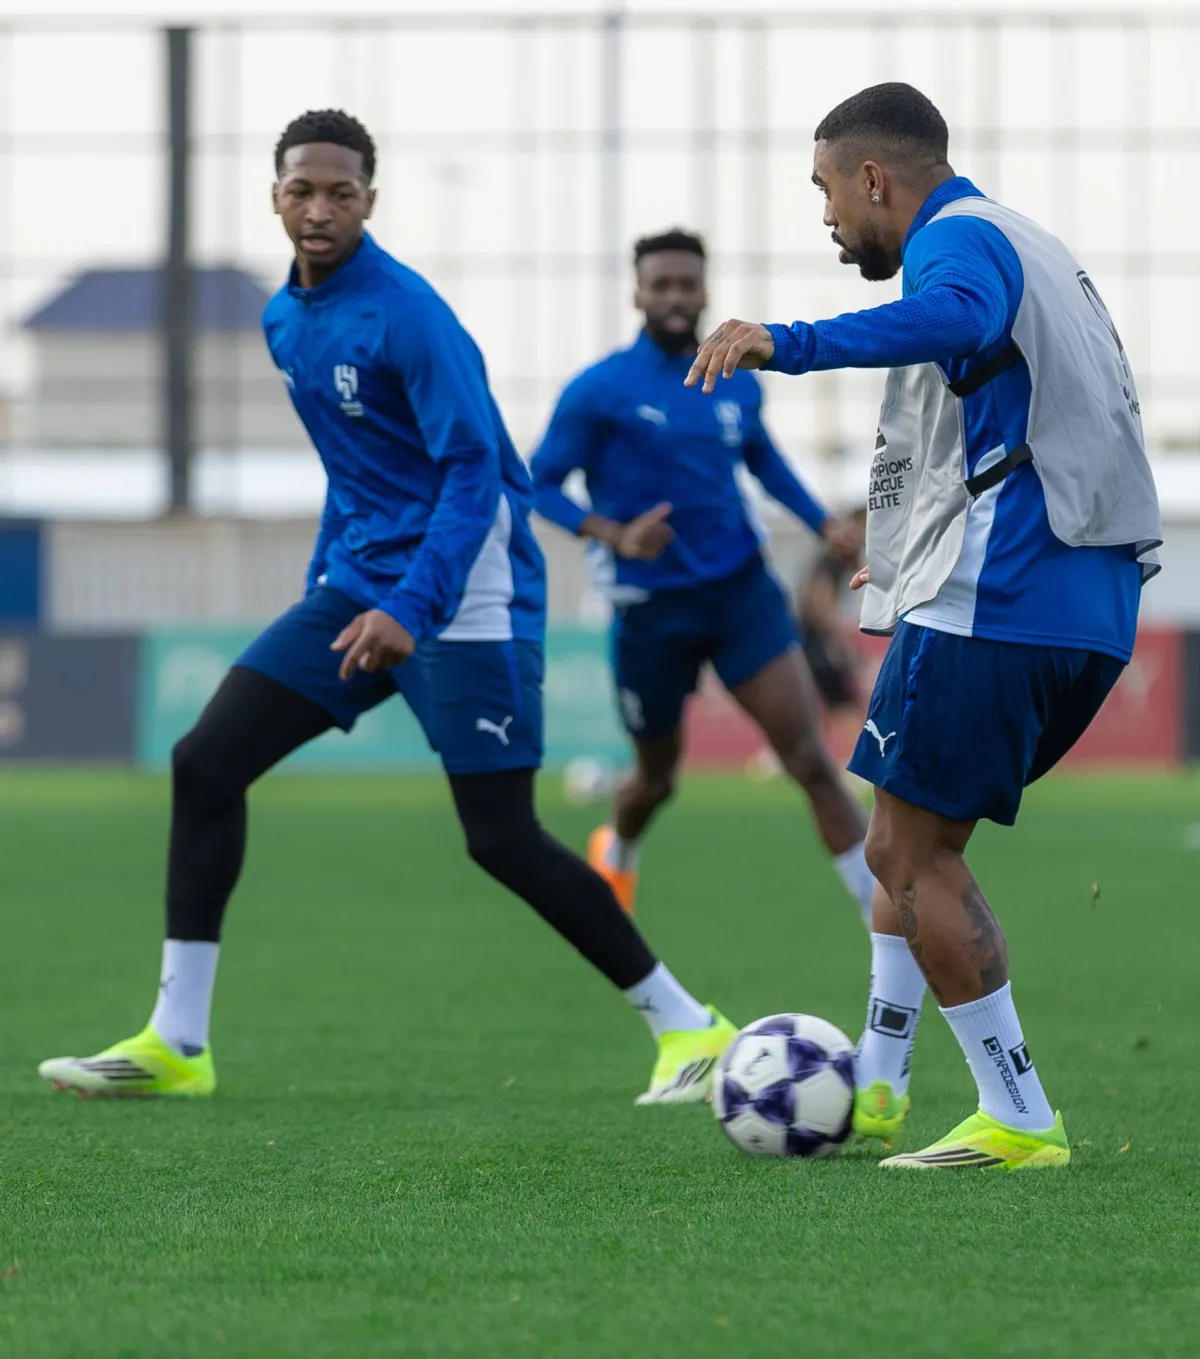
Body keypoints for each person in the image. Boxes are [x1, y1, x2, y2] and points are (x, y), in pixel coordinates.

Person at [39, 110, 736, 1106]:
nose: (318, 209)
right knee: (205, 763)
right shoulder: (283, 318)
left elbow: (474, 473)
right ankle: (177, 1040)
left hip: (464, 592)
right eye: (300, 190)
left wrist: (414, 603)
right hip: (359, 587)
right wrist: (332, 582)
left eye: (341, 193)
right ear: (273, 195)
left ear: (372, 199)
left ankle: (688, 1026)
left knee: (498, 836)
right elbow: (353, 467)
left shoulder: (410, 316)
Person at [685, 82, 1161, 1170]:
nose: (825, 218)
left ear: (873, 179)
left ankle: (1020, 1117)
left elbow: (953, 320)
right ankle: (883, 1086)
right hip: (1080, 598)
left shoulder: (958, 243)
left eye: (825, 190)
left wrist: (786, 341)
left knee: (901, 849)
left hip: (1005, 591)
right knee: (914, 837)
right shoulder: (1025, 238)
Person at [530, 229, 878, 931]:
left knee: (810, 756)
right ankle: (618, 846)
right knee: (656, 779)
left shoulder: (733, 377)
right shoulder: (599, 390)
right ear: (638, 293)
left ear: (705, 290)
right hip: (650, 610)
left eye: (688, 284)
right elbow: (535, 482)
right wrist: (613, 533)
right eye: (661, 284)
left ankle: (890, 920)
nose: (676, 297)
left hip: (739, 593)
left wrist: (822, 524)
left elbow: (763, 459)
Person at [797, 505, 869, 754]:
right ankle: (858, 760)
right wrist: (836, 639)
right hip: (817, 641)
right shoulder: (835, 557)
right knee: (843, 701)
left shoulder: (835, 558)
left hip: (808, 639)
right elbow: (816, 599)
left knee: (822, 702)